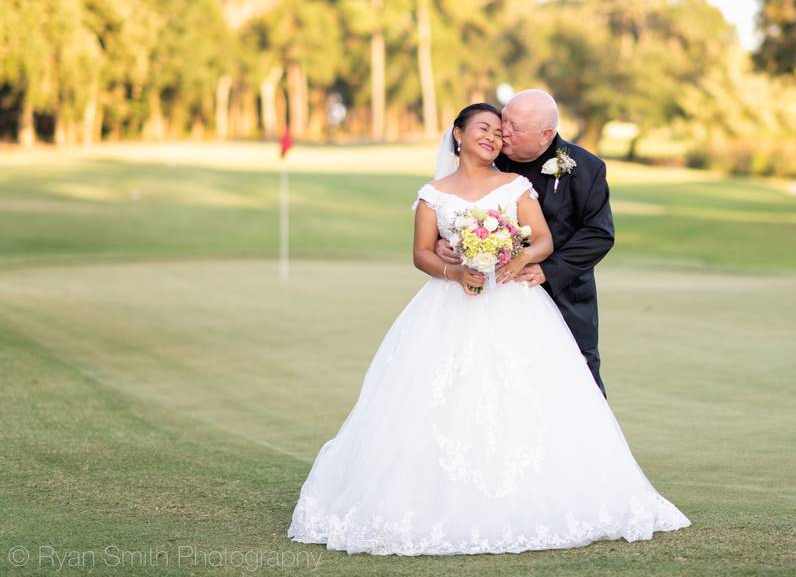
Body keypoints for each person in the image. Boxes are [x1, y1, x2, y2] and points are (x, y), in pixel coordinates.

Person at [287, 103, 690, 555]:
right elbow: (422, 252)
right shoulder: (435, 193)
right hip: (451, 305)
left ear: (546, 132)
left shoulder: (540, 177)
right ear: (457, 134)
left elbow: (557, 237)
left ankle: (570, 488)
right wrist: (453, 267)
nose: (499, 137)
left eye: (505, 130)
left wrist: (514, 258)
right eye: (490, 128)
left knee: (556, 390)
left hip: (525, 301)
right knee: (445, 394)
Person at [435, 90, 613, 395]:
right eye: (504, 120)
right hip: (497, 295)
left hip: (564, 295)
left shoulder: (586, 168)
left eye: (515, 128)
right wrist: (443, 240)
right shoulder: (489, 155)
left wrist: (549, 270)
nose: (504, 132)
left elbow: (598, 233)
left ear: (545, 135)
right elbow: (454, 200)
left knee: (578, 379)